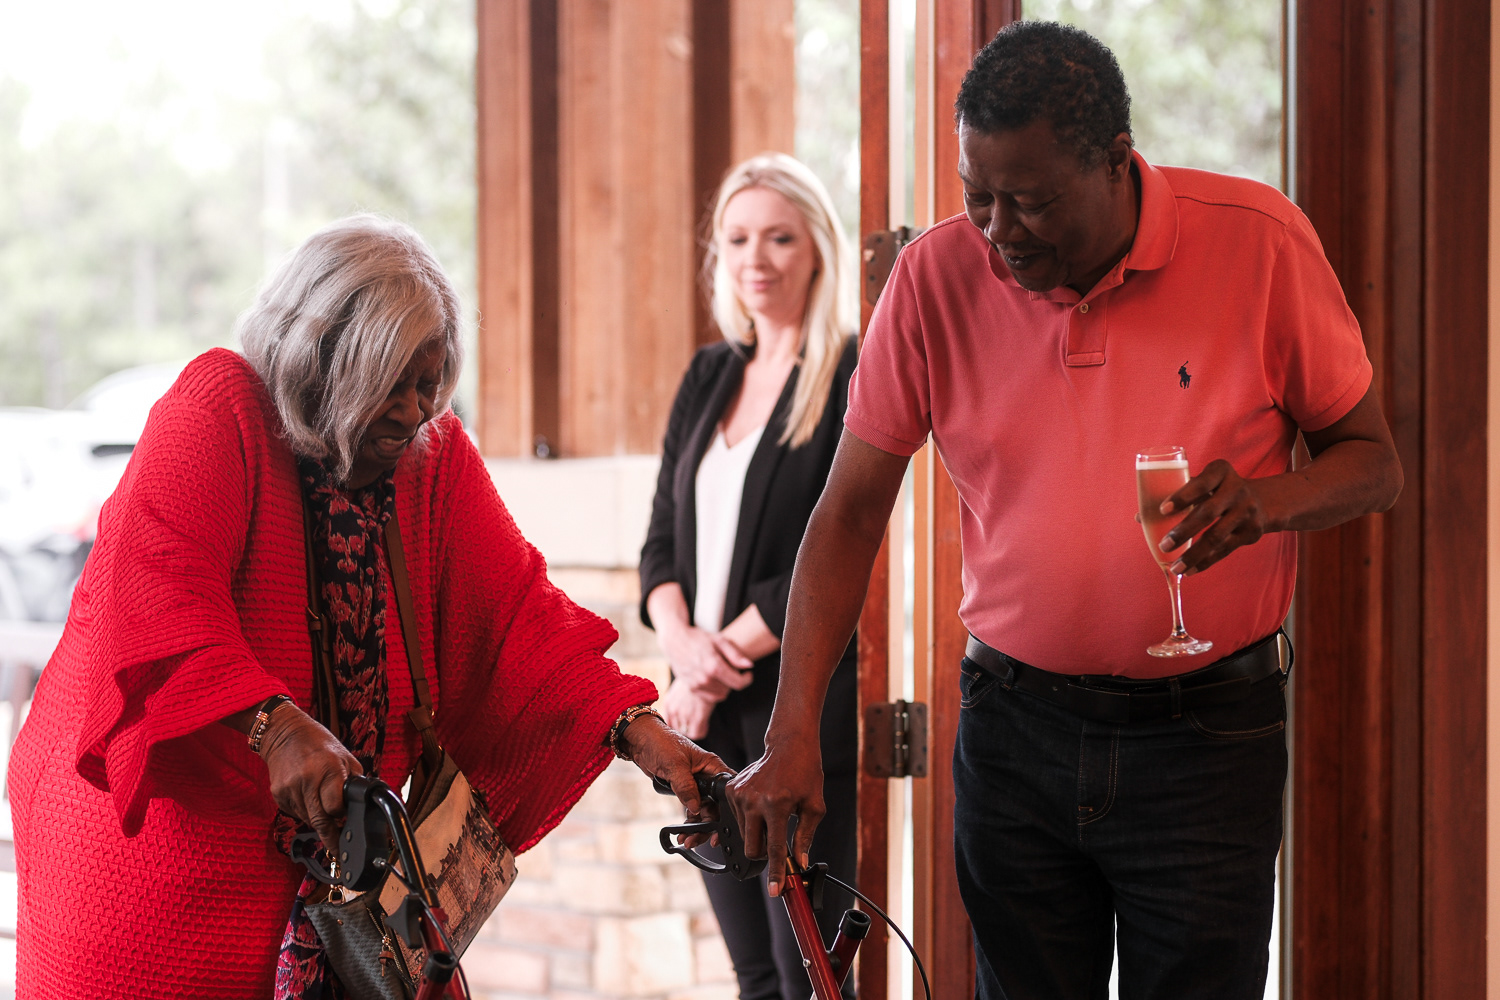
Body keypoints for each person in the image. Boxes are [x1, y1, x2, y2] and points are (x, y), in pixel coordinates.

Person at [731, 21, 1403, 1000]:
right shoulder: (933, 278)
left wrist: (1266, 502)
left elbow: (1373, 464)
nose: (1000, 230)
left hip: (1209, 741)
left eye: (1034, 201)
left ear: (1116, 161)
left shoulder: (1259, 241)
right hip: (1013, 735)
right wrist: (791, 727)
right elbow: (848, 514)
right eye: (979, 195)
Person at [7, 215, 724, 999]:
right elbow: (159, 594)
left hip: (336, 888)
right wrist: (277, 727)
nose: (415, 410)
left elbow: (520, 618)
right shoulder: (221, 406)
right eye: (393, 384)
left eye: (430, 383)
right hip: (159, 870)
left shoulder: (432, 455)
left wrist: (641, 731)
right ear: (319, 362)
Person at [639, 153, 859, 1000]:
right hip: (706, 721)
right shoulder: (709, 374)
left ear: (818, 248)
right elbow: (661, 543)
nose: (755, 258)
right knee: (754, 974)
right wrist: (680, 646)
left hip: (793, 713)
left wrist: (706, 665)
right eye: (737, 239)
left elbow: (828, 548)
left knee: (809, 975)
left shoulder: (846, 374)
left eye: (779, 237)